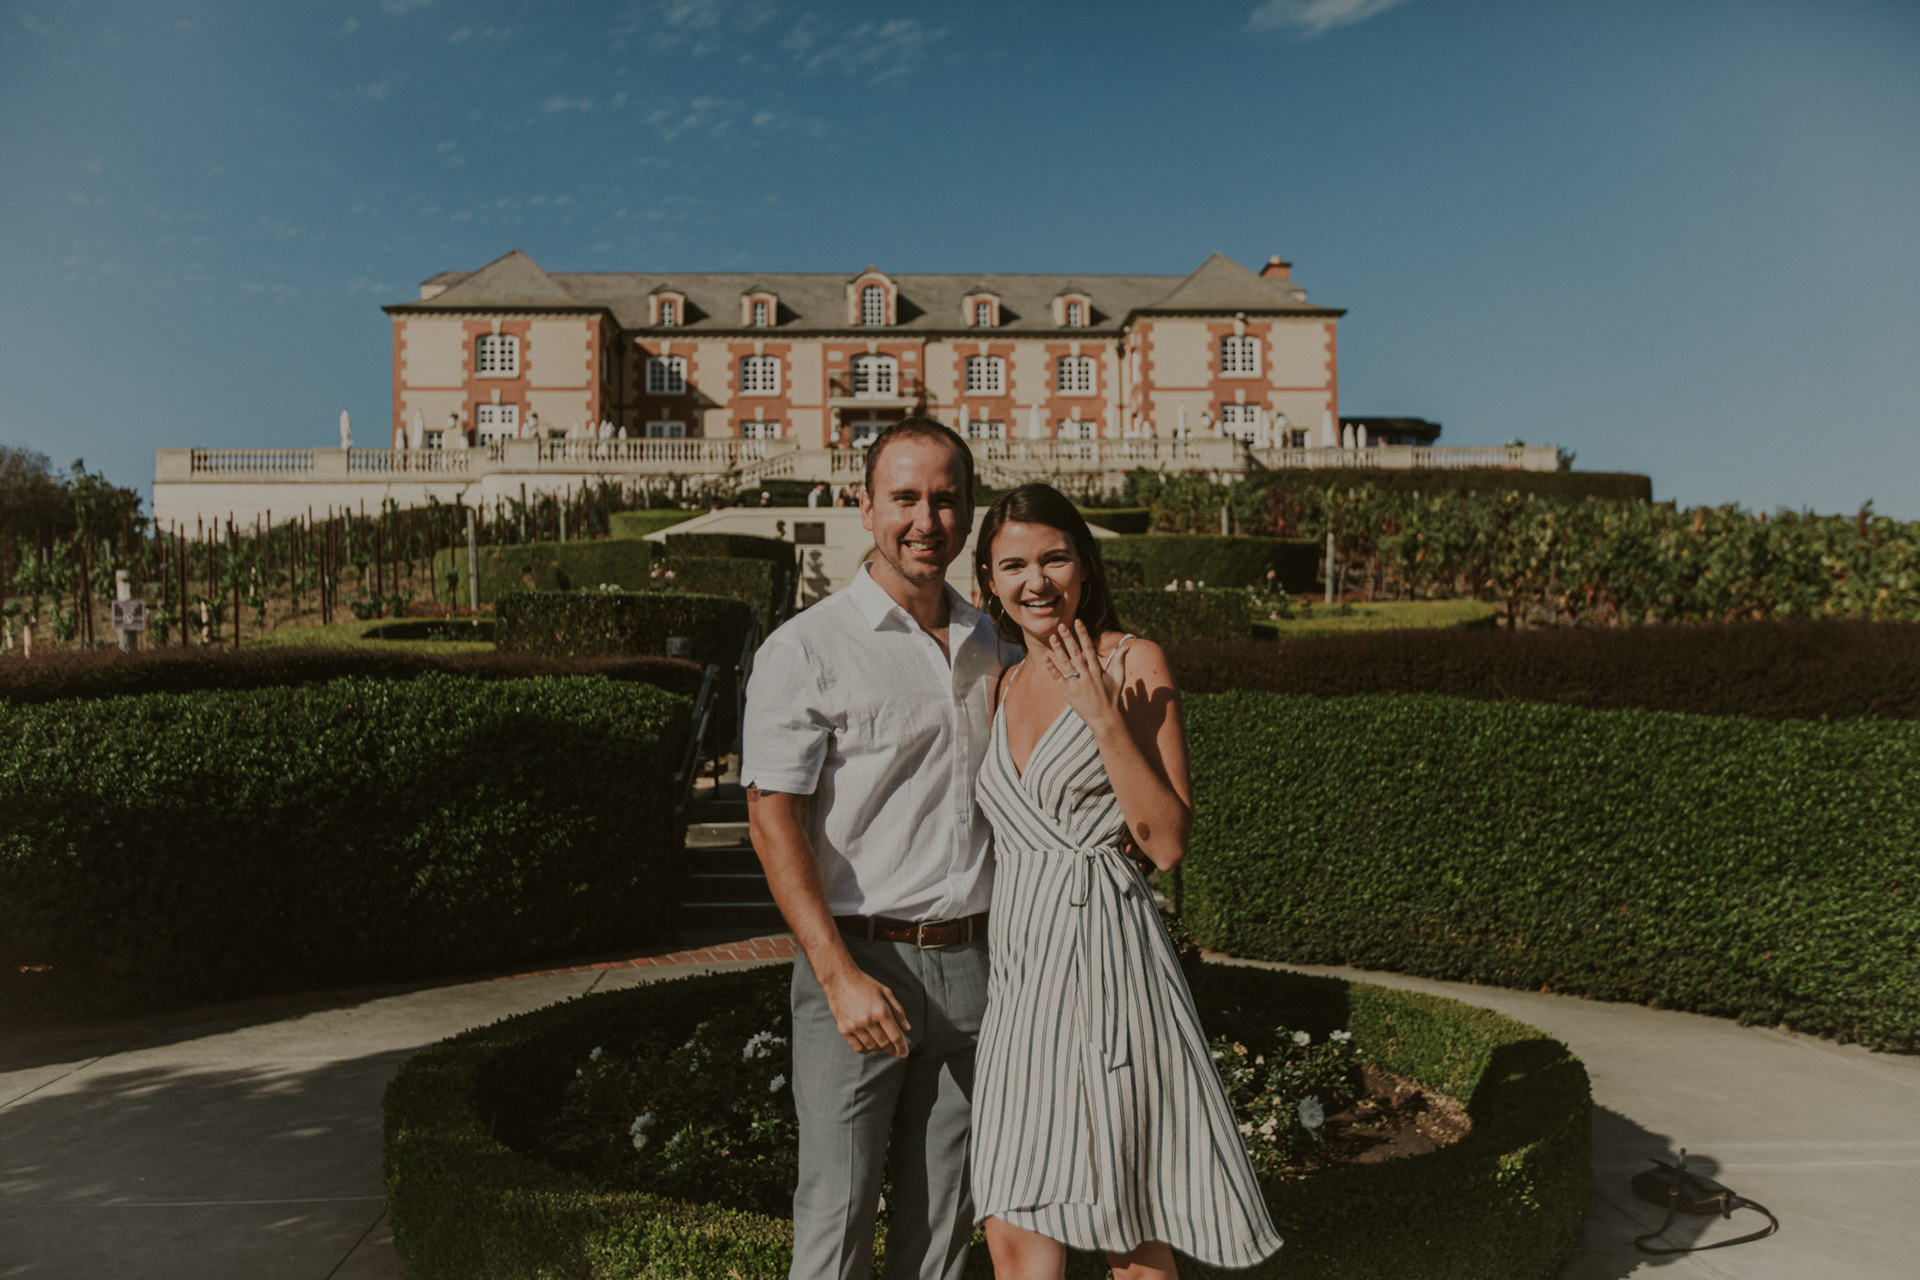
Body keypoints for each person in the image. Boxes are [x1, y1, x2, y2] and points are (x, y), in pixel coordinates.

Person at [969, 482, 1283, 1279]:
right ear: (989, 584)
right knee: (1012, 1222)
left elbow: (1168, 843)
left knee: (1129, 1226)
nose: (1035, 581)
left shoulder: (1133, 660)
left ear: (1084, 565)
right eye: (1013, 565)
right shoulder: (999, 681)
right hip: (1020, 976)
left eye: (1053, 557)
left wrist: (1105, 717)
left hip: (1107, 958)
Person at [744, 417, 1014, 1280]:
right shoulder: (808, 648)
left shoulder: (997, 645)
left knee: (944, 1230)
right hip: (857, 967)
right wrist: (835, 973)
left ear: (967, 513)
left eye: (944, 499)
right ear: (864, 506)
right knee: (836, 1220)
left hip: (975, 965)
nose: (925, 520)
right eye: (904, 497)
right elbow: (771, 816)